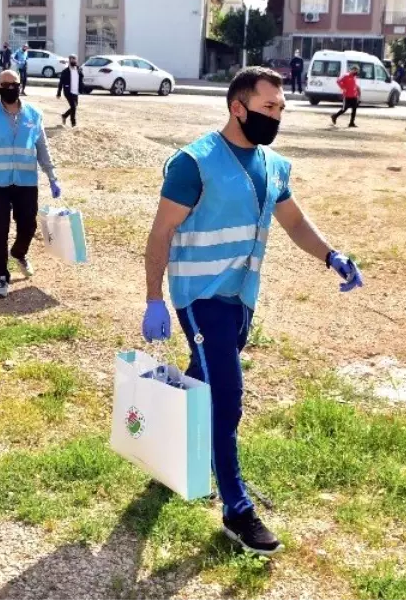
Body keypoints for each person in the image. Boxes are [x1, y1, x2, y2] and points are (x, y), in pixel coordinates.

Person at [141, 66, 363, 556]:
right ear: (236, 107)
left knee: (201, 379)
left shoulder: (274, 166)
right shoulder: (192, 163)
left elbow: (295, 221)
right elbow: (160, 235)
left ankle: (166, 451)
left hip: (241, 298)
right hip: (199, 296)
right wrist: (155, 298)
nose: (277, 115)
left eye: (281, 108)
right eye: (268, 107)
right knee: (228, 396)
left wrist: (332, 256)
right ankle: (236, 509)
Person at [0, 69, 62, 299]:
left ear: (20, 85)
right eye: (4, 84)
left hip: (26, 181)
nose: (9, 88)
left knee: (28, 226)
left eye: (13, 84)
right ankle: (0, 275)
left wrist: (52, 176)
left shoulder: (34, 115)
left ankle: (18, 253)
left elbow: (42, 148)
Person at [56, 55, 83, 127]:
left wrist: (83, 88)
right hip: (68, 91)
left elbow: (81, 79)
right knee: (73, 107)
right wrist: (59, 93)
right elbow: (61, 82)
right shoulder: (65, 71)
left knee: (75, 106)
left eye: (74, 59)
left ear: (76, 60)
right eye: (71, 59)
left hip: (76, 91)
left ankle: (64, 116)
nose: (73, 60)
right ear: (69, 60)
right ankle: (73, 124)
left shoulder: (79, 69)